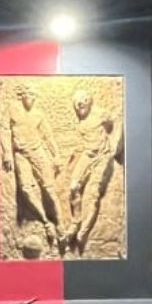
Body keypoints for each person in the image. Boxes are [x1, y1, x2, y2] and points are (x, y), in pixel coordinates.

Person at [0, 83, 66, 244]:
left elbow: (48, 136)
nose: (31, 97)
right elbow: (4, 130)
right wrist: (7, 152)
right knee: (26, 189)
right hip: (20, 154)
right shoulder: (12, 109)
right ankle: (46, 222)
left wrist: (56, 155)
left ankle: (61, 225)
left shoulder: (38, 114)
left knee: (49, 189)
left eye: (34, 94)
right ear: (22, 94)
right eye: (29, 93)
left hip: (37, 152)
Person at [65, 89, 121, 247]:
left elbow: (116, 119)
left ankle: (83, 233)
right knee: (73, 187)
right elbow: (80, 143)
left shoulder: (100, 114)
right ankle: (75, 221)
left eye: (83, 101)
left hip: (102, 157)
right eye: (77, 103)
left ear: (89, 101)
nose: (80, 104)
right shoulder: (80, 123)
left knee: (93, 194)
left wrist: (115, 143)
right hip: (87, 155)